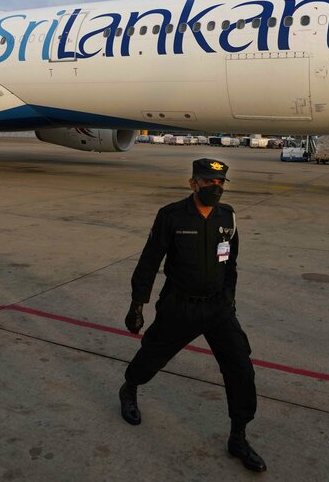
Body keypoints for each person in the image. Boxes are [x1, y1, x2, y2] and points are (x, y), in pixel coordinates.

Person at [119, 158, 266, 473]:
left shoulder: (228, 216)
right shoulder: (171, 215)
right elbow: (149, 260)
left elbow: (231, 263)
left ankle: (238, 436)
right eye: (208, 181)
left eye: (220, 182)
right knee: (151, 357)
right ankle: (129, 388)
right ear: (193, 183)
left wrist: (229, 298)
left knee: (241, 369)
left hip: (217, 308)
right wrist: (137, 304)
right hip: (180, 306)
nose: (215, 187)